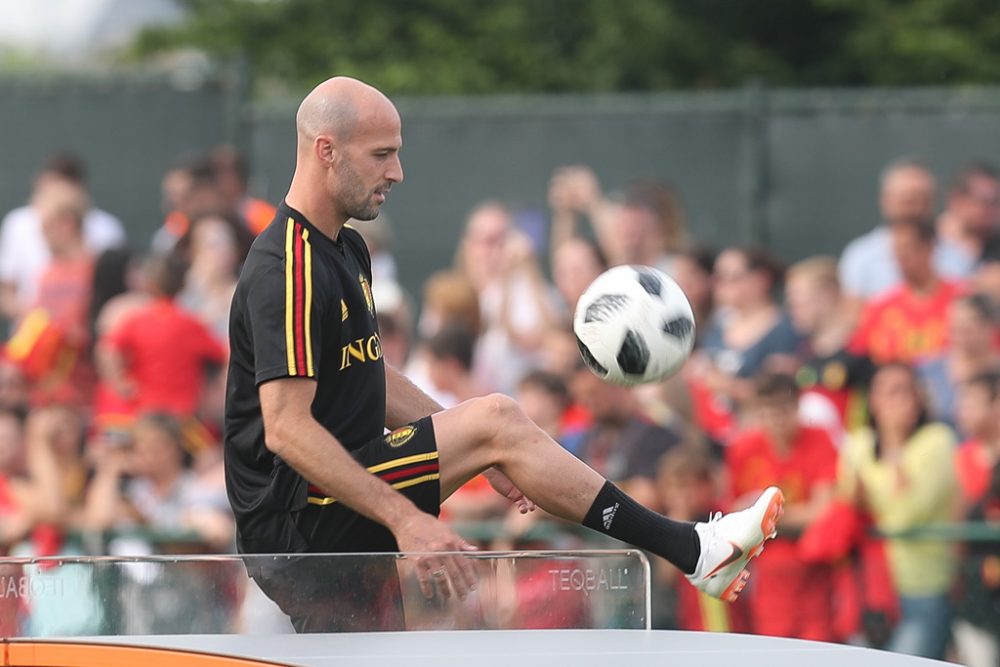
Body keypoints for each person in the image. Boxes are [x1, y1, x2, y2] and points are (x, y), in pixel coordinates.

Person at [223, 76, 784, 632]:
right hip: (299, 520)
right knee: (498, 418)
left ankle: (697, 550)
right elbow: (287, 429)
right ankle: (694, 549)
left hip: (332, 508)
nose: (397, 172)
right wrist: (409, 516)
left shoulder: (344, 247)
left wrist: (463, 446)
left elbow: (371, 376)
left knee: (378, 648)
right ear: (327, 151)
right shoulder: (287, 267)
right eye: (382, 155)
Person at [838, 363, 959, 660]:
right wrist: (888, 495)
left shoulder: (937, 440)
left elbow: (905, 516)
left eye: (902, 391)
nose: (893, 400)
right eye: (885, 391)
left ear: (919, 398)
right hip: (867, 589)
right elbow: (847, 505)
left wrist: (894, 444)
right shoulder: (858, 443)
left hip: (920, 587)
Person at [725, 372, 838, 641]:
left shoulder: (819, 440)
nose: (776, 420)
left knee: (817, 647)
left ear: (797, 407)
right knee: (773, 647)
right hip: (766, 577)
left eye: (783, 411)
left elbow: (823, 511)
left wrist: (764, 515)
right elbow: (735, 513)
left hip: (815, 570)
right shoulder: (743, 449)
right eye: (767, 412)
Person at [837, 158, 969, 321]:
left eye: (926, 200)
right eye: (909, 201)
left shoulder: (957, 257)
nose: (918, 209)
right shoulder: (860, 257)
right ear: (886, 201)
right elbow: (853, 321)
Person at [0, 153, 125, 323]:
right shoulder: (48, 275)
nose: (43, 237)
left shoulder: (99, 267)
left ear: (67, 224)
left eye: (47, 229)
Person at [849, 218, 963, 365]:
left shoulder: (961, 300)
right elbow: (857, 358)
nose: (901, 257)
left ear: (929, 247)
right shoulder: (880, 306)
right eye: (896, 249)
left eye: (908, 248)